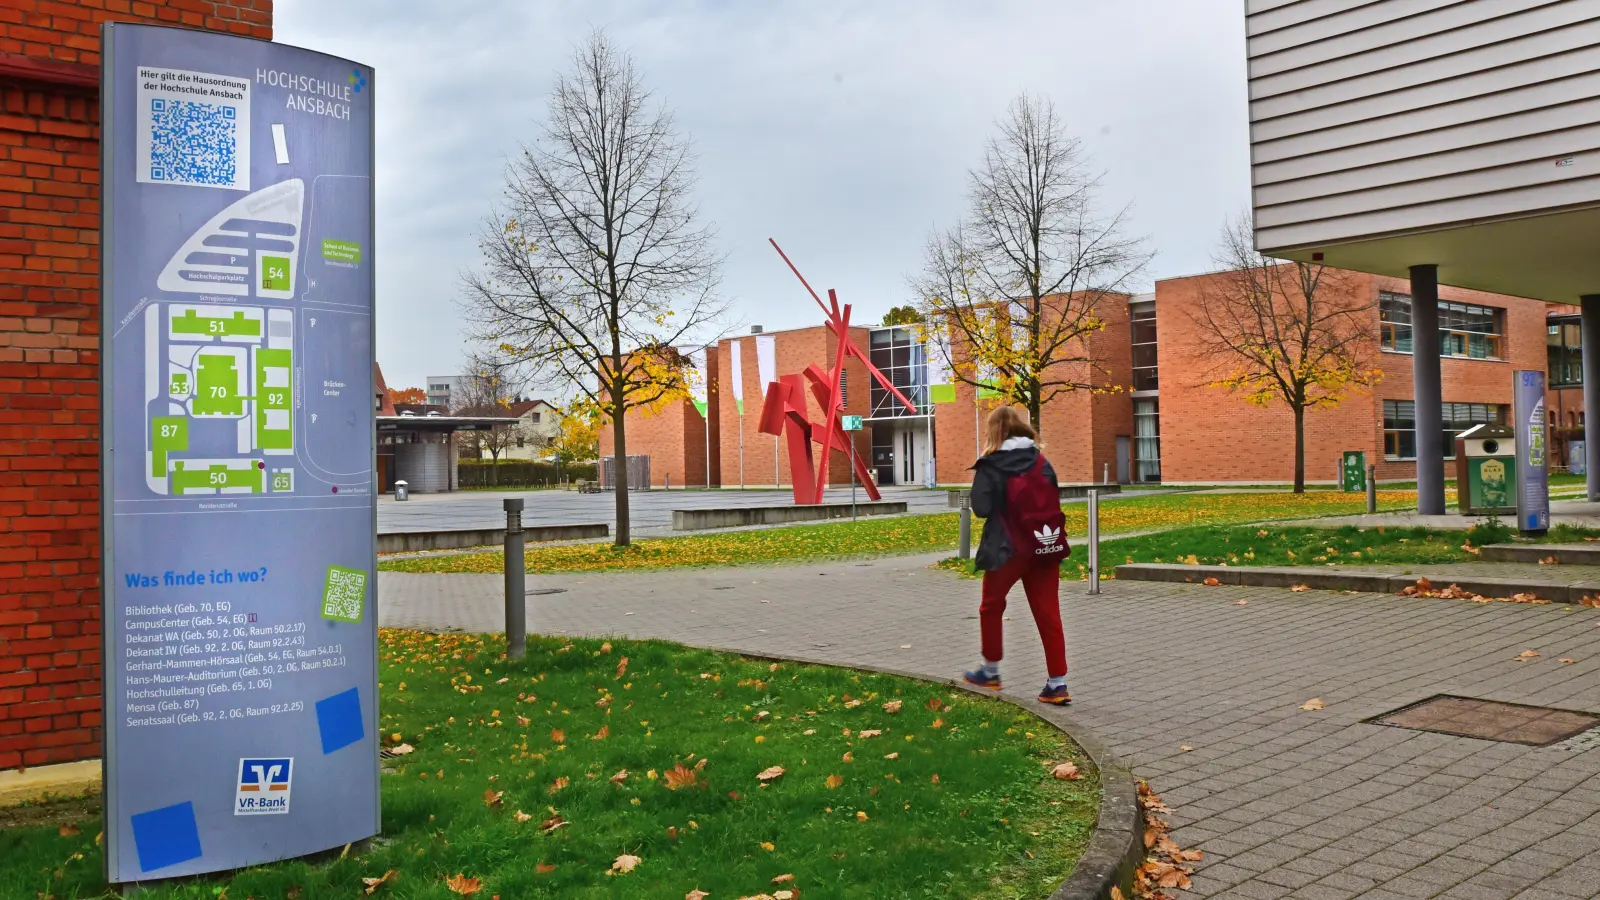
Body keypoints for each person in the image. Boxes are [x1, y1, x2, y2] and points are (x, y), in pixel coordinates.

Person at [962, 406, 1071, 705]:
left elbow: (981, 508)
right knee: (1049, 613)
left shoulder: (991, 464)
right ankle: (1057, 684)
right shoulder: (1041, 461)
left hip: (1007, 547)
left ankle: (990, 672)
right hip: (1044, 545)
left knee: (991, 606)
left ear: (994, 431)